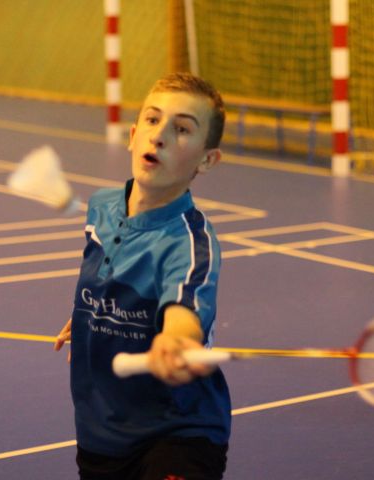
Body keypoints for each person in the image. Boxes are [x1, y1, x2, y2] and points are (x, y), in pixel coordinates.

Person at [54, 72, 231, 480]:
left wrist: (176, 341)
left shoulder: (190, 243)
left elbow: (185, 315)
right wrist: (93, 313)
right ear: (133, 136)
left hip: (179, 431)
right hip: (100, 428)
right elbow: (104, 273)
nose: (160, 135)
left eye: (182, 129)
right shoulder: (101, 206)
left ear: (207, 160)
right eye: (152, 120)